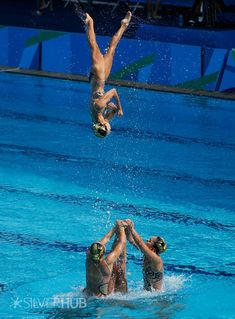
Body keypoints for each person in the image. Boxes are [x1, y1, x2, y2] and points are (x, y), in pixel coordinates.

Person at [84, 11, 132, 138]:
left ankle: (91, 21)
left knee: (94, 47)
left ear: (104, 125)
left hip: (98, 75)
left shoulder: (99, 107)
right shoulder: (98, 117)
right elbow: (111, 113)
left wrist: (120, 108)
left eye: (109, 128)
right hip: (102, 77)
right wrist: (114, 110)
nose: (110, 127)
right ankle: (124, 25)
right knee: (111, 49)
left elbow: (114, 91)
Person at [84, 220, 127, 297]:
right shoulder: (107, 261)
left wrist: (115, 228)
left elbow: (104, 240)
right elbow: (122, 242)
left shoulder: (88, 257)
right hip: (100, 298)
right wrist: (121, 228)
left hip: (87, 294)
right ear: (102, 254)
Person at [125, 219, 167, 291]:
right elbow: (131, 240)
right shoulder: (147, 254)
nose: (146, 241)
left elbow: (140, 243)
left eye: (149, 241)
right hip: (148, 295)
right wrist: (127, 229)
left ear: (153, 249)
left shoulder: (156, 259)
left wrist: (132, 229)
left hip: (157, 297)